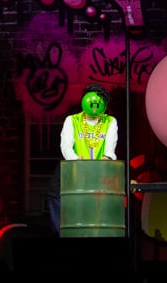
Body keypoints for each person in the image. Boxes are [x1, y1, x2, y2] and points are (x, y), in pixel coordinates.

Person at [44, 83, 118, 235]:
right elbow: (66, 147)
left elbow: (109, 151)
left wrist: (104, 159)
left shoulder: (110, 121)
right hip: (72, 171)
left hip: (98, 173)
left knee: (94, 212)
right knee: (55, 196)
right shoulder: (72, 120)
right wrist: (76, 160)